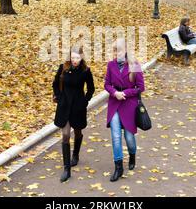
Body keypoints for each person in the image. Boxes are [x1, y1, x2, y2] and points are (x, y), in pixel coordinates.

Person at [104, 38, 145, 182]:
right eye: (114, 50)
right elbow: (107, 84)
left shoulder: (135, 65)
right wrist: (115, 93)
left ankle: (132, 155)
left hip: (129, 104)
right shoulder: (110, 65)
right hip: (115, 102)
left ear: (126, 50)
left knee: (129, 138)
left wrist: (126, 93)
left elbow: (141, 87)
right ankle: (118, 167)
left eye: (119, 50)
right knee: (116, 136)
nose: (116, 53)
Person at [52, 46, 95, 182]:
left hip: (78, 107)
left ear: (81, 58)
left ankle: (75, 154)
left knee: (77, 132)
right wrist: (59, 97)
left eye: (77, 57)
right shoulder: (63, 68)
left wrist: (85, 101)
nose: (75, 60)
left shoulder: (85, 71)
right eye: (73, 57)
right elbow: (54, 84)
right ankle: (66, 169)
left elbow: (91, 88)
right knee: (65, 135)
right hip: (64, 106)